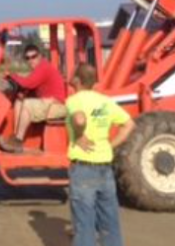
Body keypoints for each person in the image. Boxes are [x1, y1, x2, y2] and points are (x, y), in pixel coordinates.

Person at [65, 63, 135, 246]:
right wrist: (110, 145)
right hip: (105, 169)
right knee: (110, 222)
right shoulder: (106, 102)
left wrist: (79, 135)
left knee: (84, 224)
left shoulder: (74, 100)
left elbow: (79, 118)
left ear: (77, 80)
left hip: (83, 168)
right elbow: (129, 125)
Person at [0, 43, 66, 153]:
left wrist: (12, 75)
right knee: (19, 101)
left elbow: (28, 83)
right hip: (48, 102)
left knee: (28, 105)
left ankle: (18, 140)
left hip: (56, 103)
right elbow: (32, 86)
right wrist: (22, 93)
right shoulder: (39, 69)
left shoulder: (43, 67)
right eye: (28, 58)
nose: (31, 60)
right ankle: (16, 137)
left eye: (33, 57)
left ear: (40, 56)